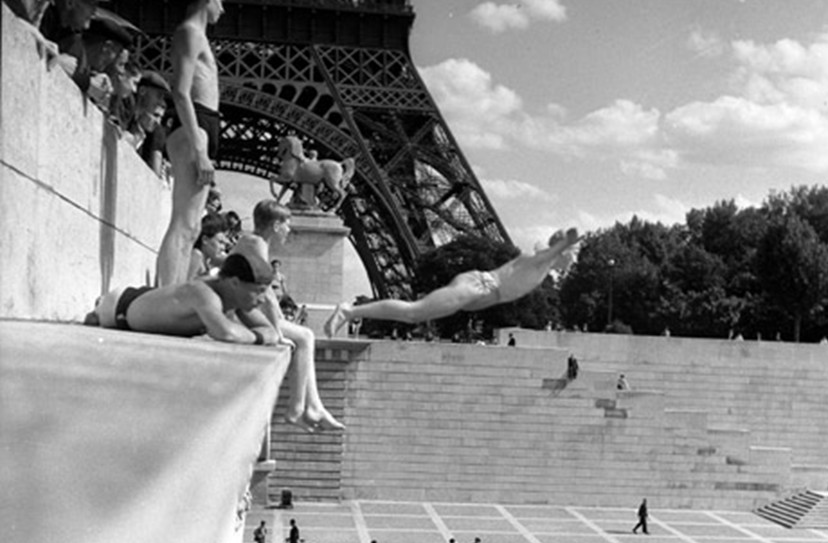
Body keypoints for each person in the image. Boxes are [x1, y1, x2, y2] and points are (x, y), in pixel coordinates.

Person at [324, 228, 582, 337]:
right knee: (414, 312)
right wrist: (568, 241)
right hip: (479, 287)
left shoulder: (542, 266)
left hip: (479, 292)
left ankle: (351, 312)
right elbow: (553, 251)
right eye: (572, 256)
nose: (572, 262)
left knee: (415, 313)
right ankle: (350, 311)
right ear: (563, 252)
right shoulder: (539, 260)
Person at [233, 200, 344, 431]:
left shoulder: (251, 241)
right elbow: (267, 295)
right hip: (238, 313)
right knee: (305, 337)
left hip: (240, 309)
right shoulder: (257, 244)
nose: (289, 230)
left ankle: (311, 406)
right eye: (287, 224)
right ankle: (297, 408)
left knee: (305, 336)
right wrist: (276, 330)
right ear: (275, 225)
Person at [156, 0, 225, 286]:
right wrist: (200, 149)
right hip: (194, 125)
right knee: (184, 224)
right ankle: (164, 299)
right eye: (220, 0)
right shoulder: (190, 32)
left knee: (192, 227)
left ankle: (172, 295)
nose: (222, 8)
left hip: (202, 123)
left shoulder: (197, 35)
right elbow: (180, 91)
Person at [86, 248, 282, 345]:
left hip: (148, 301)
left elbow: (271, 332)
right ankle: (98, 310)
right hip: (119, 307)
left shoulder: (235, 298)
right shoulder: (204, 293)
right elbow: (227, 334)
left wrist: (256, 335)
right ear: (234, 282)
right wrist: (258, 338)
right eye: (259, 291)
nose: (263, 299)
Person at [188, 211, 229, 279]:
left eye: (224, 244)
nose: (223, 248)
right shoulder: (196, 256)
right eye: (220, 242)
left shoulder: (205, 260)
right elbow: (185, 285)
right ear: (205, 240)